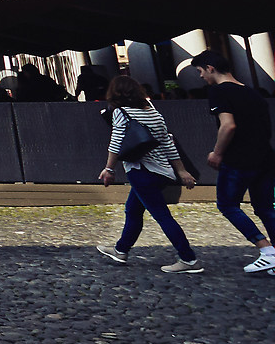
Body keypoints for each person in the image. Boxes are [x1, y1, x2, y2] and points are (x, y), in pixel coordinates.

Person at [94, 74, 200, 272]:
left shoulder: (121, 112)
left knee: (162, 215)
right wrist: (181, 170)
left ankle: (189, 259)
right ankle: (121, 250)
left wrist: (109, 169)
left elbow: (116, 142)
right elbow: (168, 142)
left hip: (141, 171)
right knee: (133, 210)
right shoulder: (152, 110)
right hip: (161, 171)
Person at [193, 55, 275, 273]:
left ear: (210, 68)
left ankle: (267, 250)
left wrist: (217, 153)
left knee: (228, 205)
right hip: (265, 157)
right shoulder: (252, 92)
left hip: (238, 158)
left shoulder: (219, 91)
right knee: (266, 207)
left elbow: (228, 125)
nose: (201, 77)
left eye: (200, 71)